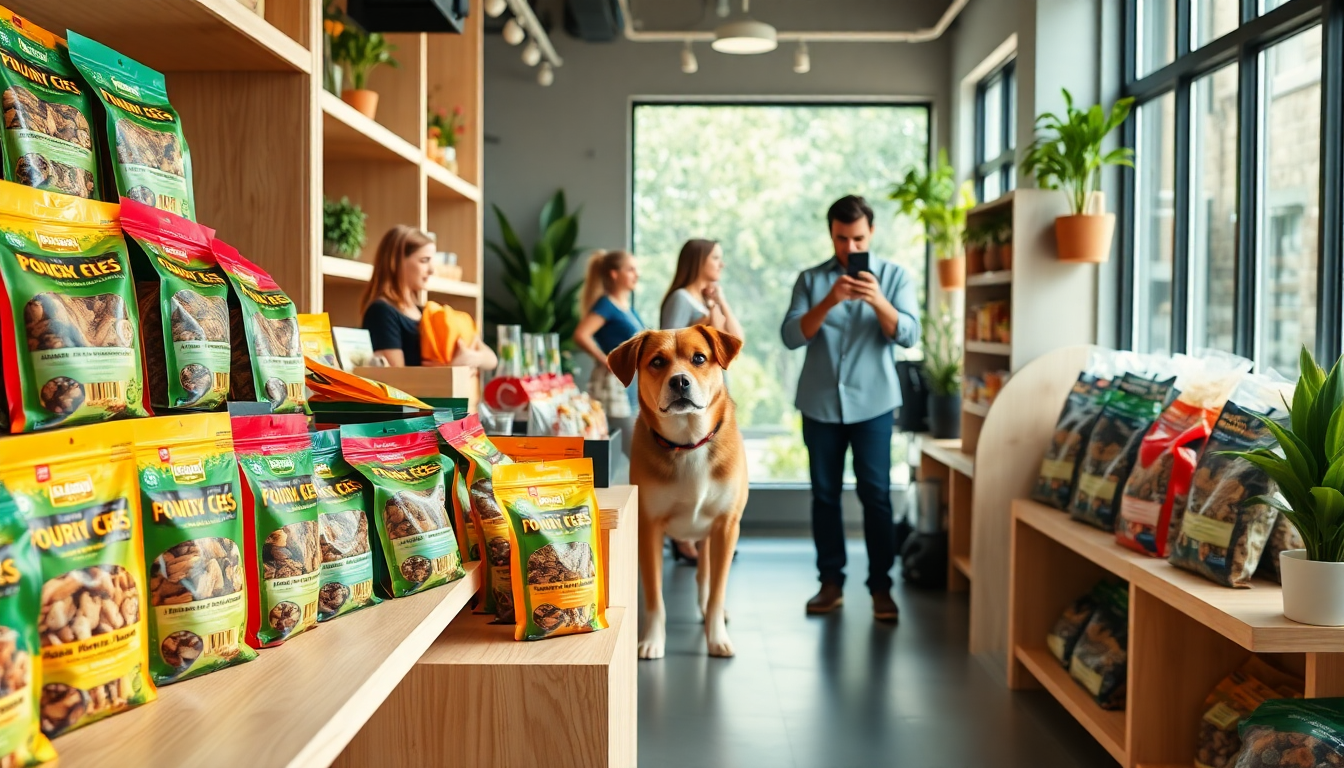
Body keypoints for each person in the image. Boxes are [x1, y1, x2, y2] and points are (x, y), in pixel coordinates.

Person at [780, 195, 920, 623]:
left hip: (874, 404)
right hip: (820, 404)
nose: (849, 246)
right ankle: (830, 583)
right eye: (841, 238)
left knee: (876, 496)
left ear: (871, 233)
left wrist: (878, 301)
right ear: (831, 235)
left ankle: (881, 587)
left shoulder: (895, 276)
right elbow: (791, 335)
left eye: (857, 237)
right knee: (825, 496)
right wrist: (828, 302)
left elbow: (909, 335)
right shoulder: (810, 279)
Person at [361, 225, 496, 369]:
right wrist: (451, 369)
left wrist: (472, 358)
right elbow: (396, 379)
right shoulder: (381, 311)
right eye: (424, 260)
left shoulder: (423, 311)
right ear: (396, 262)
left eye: (432, 261)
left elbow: (492, 359)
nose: (432, 270)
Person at [572, 250, 645, 449]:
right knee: (630, 444)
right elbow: (581, 334)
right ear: (614, 274)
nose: (636, 274)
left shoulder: (627, 308)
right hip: (613, 385)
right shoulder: (606, 305)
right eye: (630, 269)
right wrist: (606, 360)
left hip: (629, 384)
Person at [660, 238, 745, 339]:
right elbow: (668, 343)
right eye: (716, 258)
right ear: (699, 261)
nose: (722, 265)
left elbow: (737, 339)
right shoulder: (681, 297)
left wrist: (721, 301)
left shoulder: (706, 302)